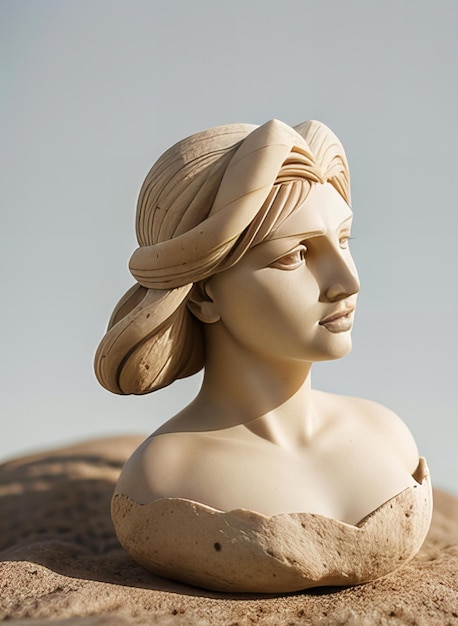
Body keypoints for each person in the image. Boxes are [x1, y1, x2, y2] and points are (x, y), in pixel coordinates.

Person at [96, 119, 431, 592]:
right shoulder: (166, 475)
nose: (347, 281)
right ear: (202, 297)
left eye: (343, 240)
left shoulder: (388, 435)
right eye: (294, 255)